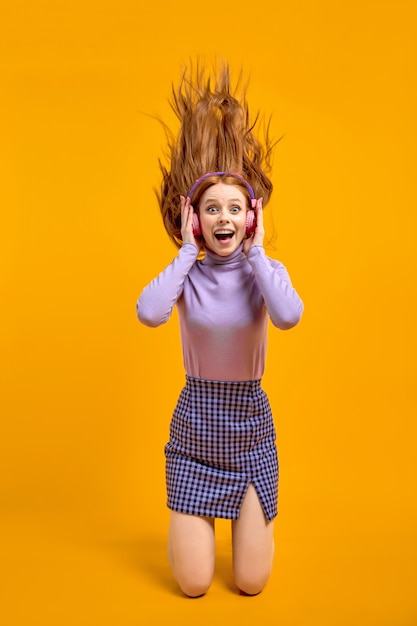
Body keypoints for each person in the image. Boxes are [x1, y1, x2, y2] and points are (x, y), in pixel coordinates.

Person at [136, 62, 303, 597]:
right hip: (196, 429)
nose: (224, 218)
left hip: (250, 427)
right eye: (212, 208)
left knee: (252, 582)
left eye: (236, 207)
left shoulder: (265, 270)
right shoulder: (187, 272)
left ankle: (246, 522)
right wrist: (187, 250)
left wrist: (257, 255)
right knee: (192, 585)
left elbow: (289, 315)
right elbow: (148, 311)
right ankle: (194, 528)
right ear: (196, 216)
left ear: (250, 215)